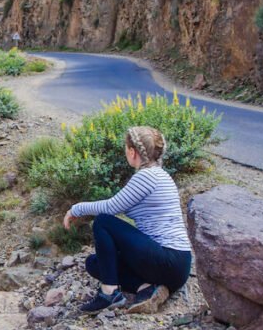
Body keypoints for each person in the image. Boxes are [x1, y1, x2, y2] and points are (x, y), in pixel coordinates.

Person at [63, 126, 193, 315]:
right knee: (94, 263)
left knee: (104, 221)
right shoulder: (160, 174)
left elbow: (111, 208)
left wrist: (76, 209)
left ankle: (109, 294)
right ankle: (147, 288)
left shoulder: (147, 177)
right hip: (174, 266)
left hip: (169, 258)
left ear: (132, 152)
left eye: (126, 148)